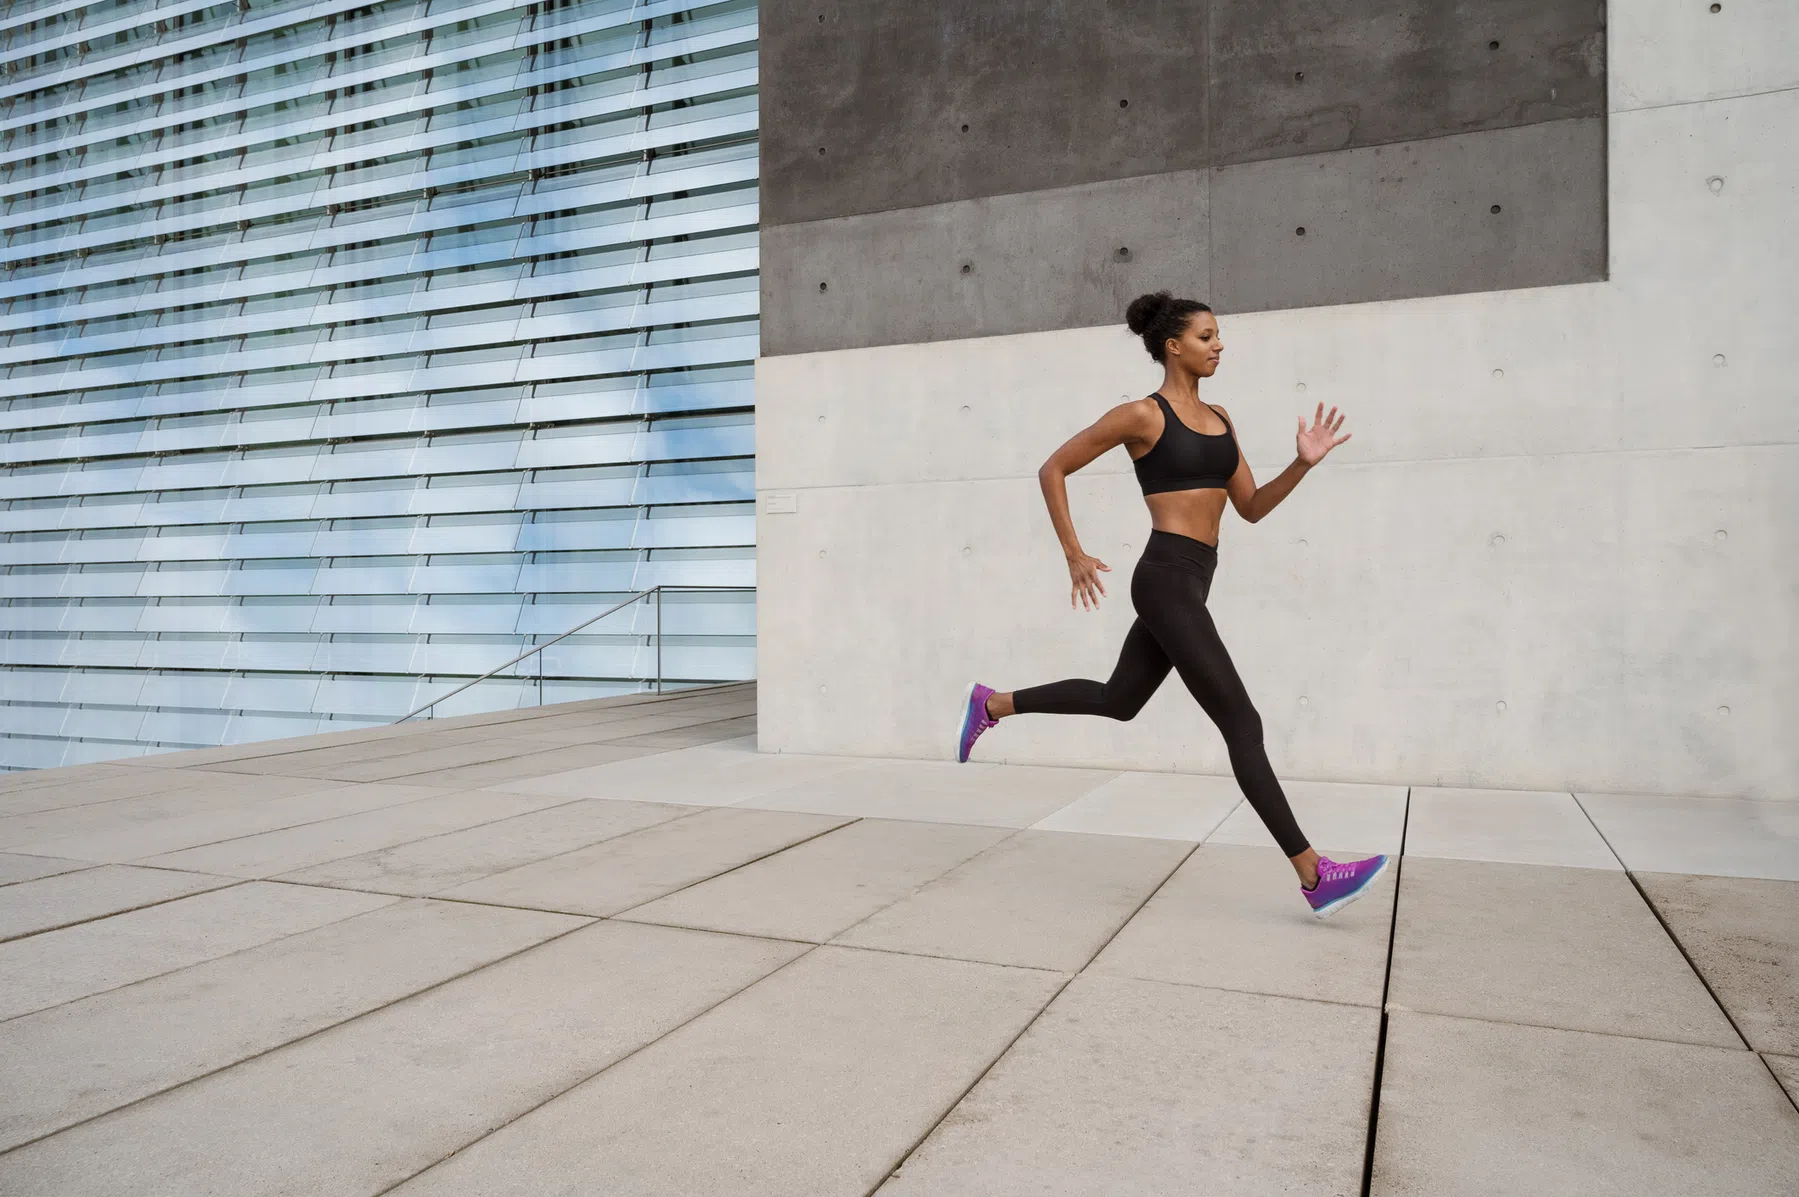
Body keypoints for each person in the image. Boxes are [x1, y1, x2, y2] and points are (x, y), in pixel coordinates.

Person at [955, 291, 1387, 919]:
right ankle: (1314, 873)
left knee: (1119, 699)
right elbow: (1053, 469)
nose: (1219, 345)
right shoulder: (1141, 415)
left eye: (1219, 336)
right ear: (1173, 345)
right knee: (1243, 723)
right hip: (1164, 579)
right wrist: (1074, 553)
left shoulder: (1221, 418)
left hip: (1195, 578)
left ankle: (991, 703)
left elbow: (1251, 507)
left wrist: (1302, 463)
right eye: (1207, 336)